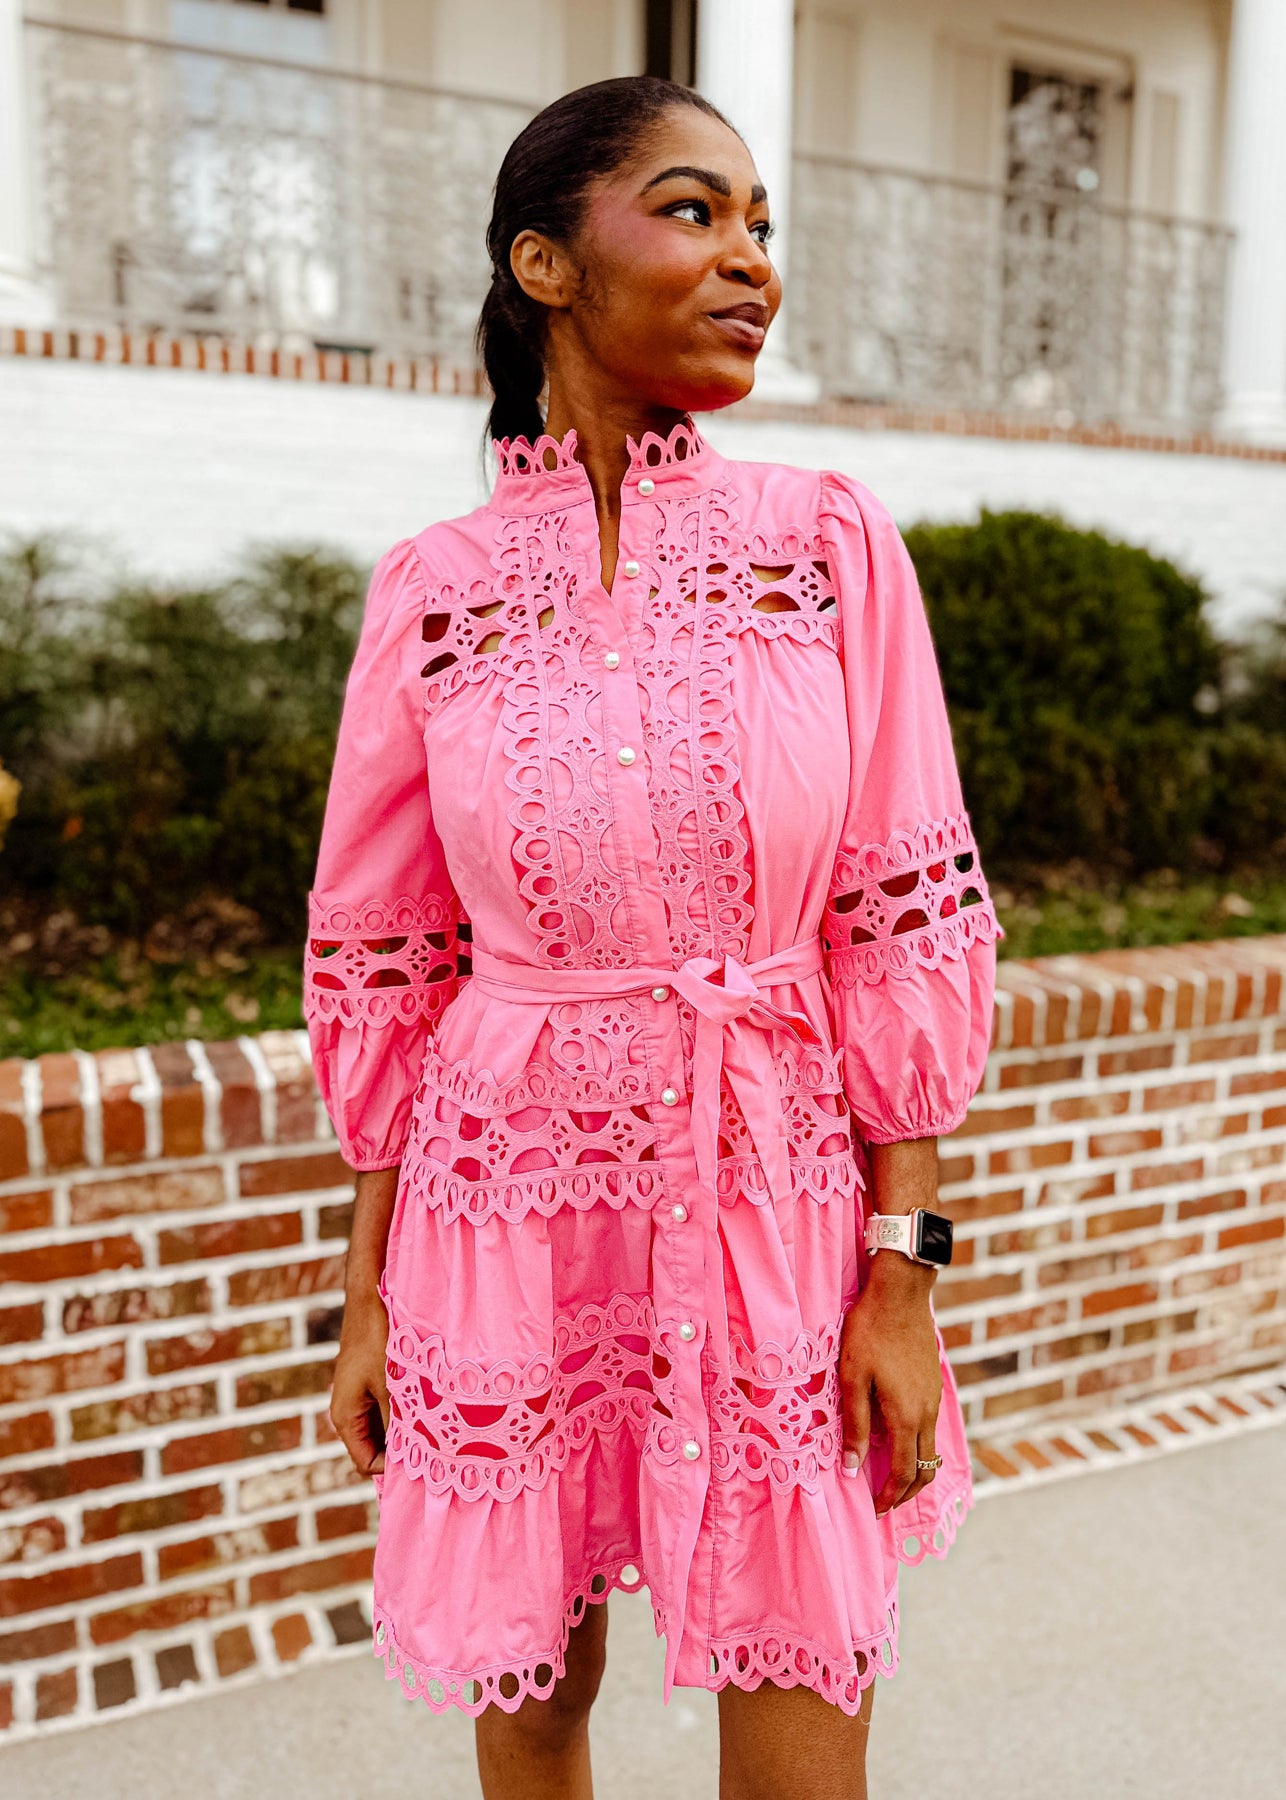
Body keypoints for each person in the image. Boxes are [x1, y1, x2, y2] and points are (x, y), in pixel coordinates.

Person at [303, 74, 999, 1800]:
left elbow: (894, 918)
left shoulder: (821, 547)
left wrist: (900, 1278)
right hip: (502, 1217)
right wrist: (366, 1293)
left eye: (760, 223)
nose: (752, 259)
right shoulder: (433, 591)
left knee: (801, 1691)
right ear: (545, 263)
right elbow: (388, 960)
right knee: (532, 1695)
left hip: (778, 1202)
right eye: (693, 211)